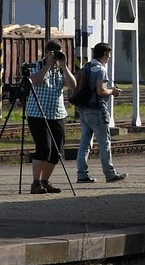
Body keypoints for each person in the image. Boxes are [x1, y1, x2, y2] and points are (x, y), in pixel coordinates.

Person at [26, 40, 75, 194]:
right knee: (44, 148)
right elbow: (34, 81)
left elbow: (73, 85)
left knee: (56, 151)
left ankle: (45, 181)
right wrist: (47, 65)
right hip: (37, 114)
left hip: (58, 114)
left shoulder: (61, 69)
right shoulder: (37, 65)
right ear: (46, 52)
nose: (56, 57)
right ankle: (35, 183)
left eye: (59, 53)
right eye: (53, 53)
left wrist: (64, 65)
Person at [76, 42, 127, 184]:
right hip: (97, 110)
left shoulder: (85, 67)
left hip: (84, 109)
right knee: (104, 143)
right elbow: (101, 91)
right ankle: (110, 174)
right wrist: (113, 92)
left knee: (85, 142)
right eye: (109, 54)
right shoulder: (100, 70)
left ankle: (82, 174)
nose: (109, 57)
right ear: (104, 54)